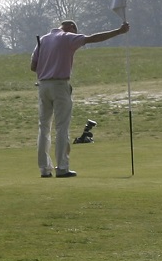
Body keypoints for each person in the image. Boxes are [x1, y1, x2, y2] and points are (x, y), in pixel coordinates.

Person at [31, 18, 129, 177]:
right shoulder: (67, 36)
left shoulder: (43, 39)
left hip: (43, 86)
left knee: (44, 128)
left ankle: (44, 169)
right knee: (61, 127)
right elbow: (93, 38)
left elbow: (33, 67)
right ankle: (62, 167)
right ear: (70, 28)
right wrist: (118, 31)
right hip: (59, 85)